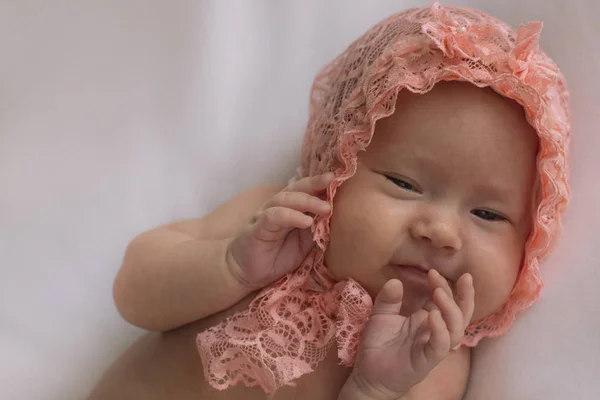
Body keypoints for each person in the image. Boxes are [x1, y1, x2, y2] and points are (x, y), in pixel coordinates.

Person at [88, 3, 570, 399]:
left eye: (487, 213)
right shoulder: (277, 223)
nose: (439, 231)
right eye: (403, 183)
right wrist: (230, 265)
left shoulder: (429, 358)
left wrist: (373, 388)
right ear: (336, 162)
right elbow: (132, 294)